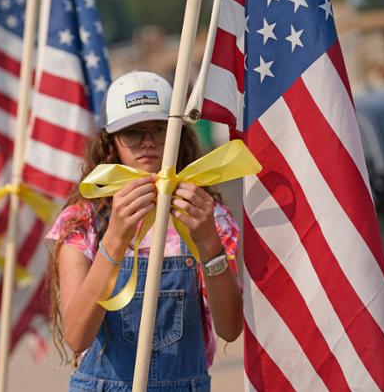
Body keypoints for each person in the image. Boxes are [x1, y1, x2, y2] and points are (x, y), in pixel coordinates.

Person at [47, 71, 243, 391]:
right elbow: (76, 335)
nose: (148, 142)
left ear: (178, 133)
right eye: (133, 132)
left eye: (159, 129)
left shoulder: (208, 215)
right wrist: (116, 238)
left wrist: (208, 244)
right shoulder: (83, 221)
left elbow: (230, 327)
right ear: (111, 141)